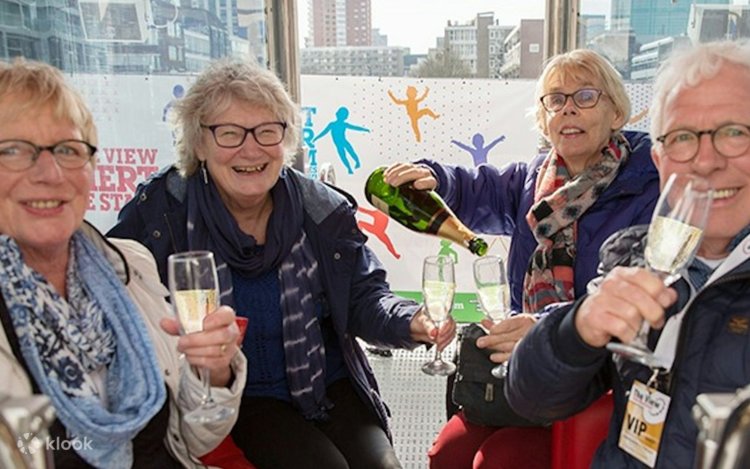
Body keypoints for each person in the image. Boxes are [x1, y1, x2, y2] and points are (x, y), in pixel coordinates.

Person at [108, 58, 455, 469]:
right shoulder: (161, 214)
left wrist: (412, 321)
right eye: (230, 133)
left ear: (286, 138)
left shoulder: (321, 210)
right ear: (199, 144)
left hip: (324, 380)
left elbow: (365, 297)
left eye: (267, 130)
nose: (251, 149)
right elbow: (114, 294)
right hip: (236, 395)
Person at [384, 48, 660, 469]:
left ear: (617, 112)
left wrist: (546, 328)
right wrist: (435, 178)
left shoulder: (649, 187)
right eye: (556, 99)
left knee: (497, 460)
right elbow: (478, 189)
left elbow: (636, 300)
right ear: (544, 118)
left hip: (600, 373)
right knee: (449, 453)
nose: (568, 109)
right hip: (524, 362)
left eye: (586, 96)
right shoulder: (535, 179)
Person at [506, 40, 750, 468]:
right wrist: (578, 328)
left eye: (734, 133)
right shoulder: (636, 257)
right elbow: (532, 397)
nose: (707, 161)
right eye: (683, 138)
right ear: (659, 159)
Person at [0, 58, 246, 468]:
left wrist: (215, 372)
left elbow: (187, 436)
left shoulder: (130, 266)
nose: (50, 173)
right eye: (14, 151)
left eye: (68, 150)